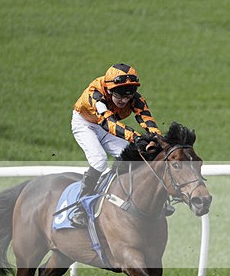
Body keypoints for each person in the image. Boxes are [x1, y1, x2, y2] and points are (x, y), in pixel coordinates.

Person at [70, 63, 163, 225]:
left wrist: (158, 139)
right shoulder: (96, 94)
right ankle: (80, 206)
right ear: (109, 89)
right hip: (86, 125)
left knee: (133, 157)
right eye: (119, 95)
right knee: (99, 161)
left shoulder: (135, 99)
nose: (124, 100)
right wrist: (136, 138)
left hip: (108, 126)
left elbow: (147, 119)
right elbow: (108, 123)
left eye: (128, 96)